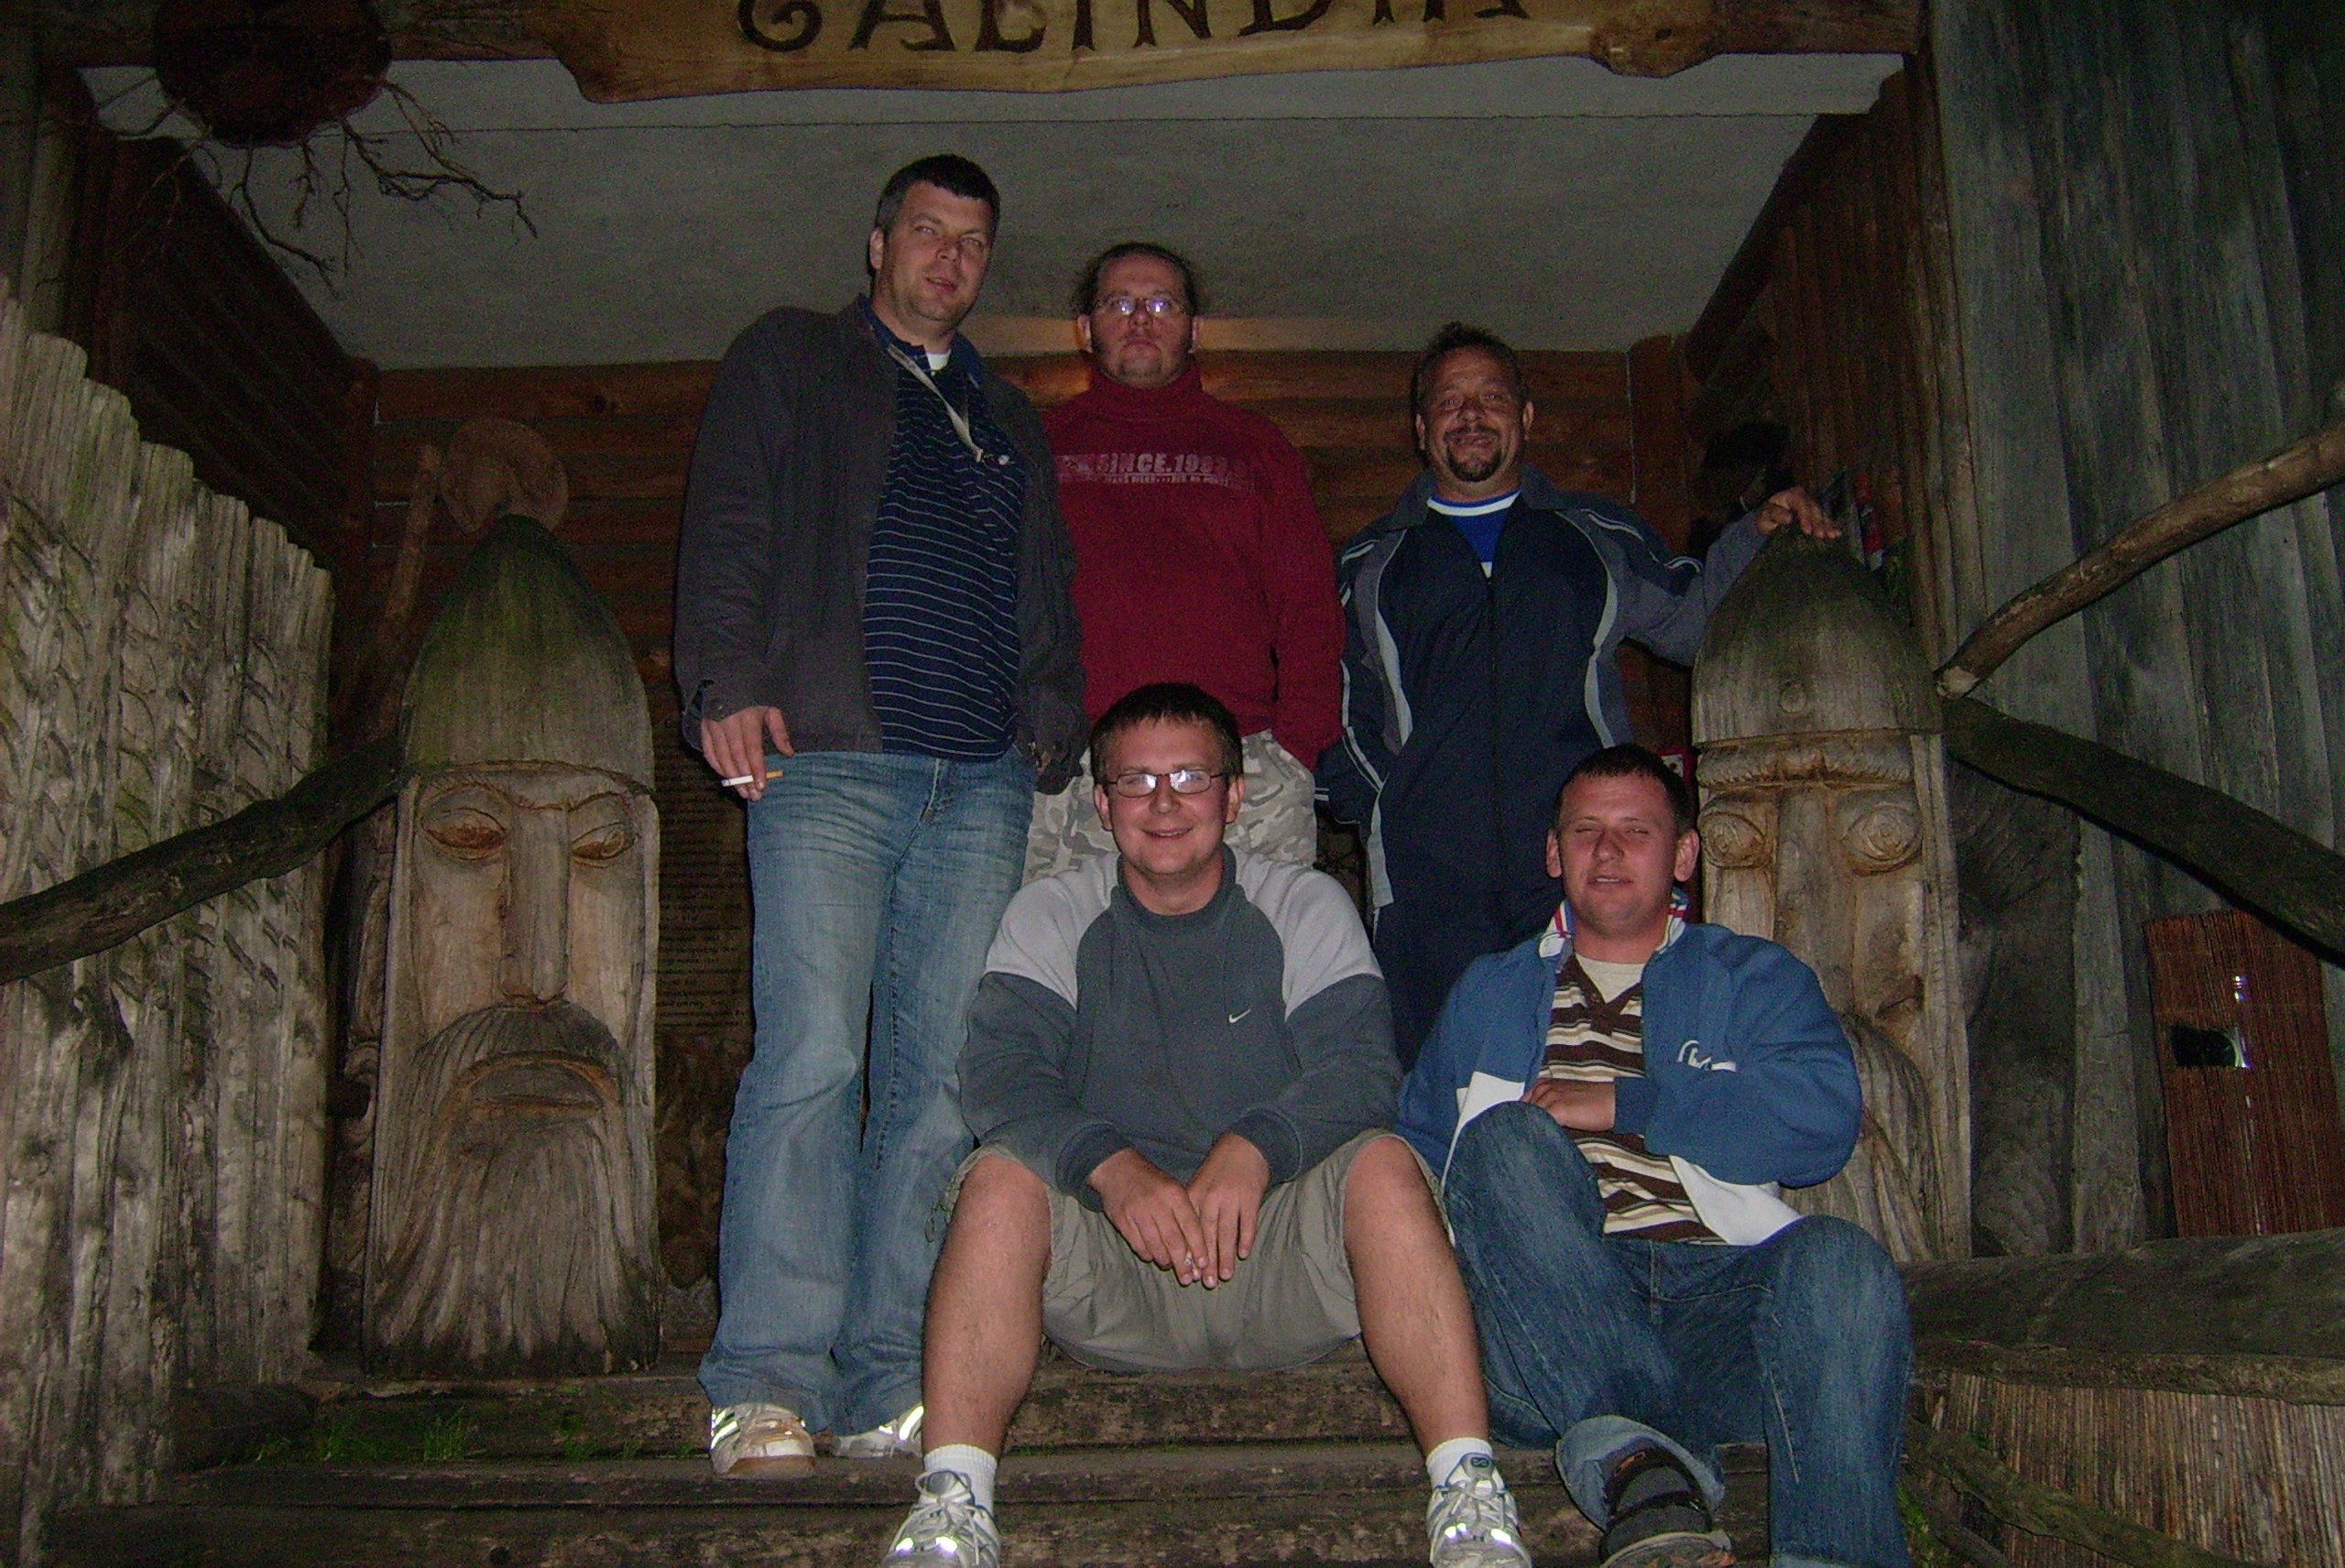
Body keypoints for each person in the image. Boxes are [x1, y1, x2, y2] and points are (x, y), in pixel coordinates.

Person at [879, 683, 1532, 1568]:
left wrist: (1256, 1148)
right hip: (1119, 1268)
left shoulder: (1302, 905)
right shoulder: (1052, 914)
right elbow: (1001, 1074)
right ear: (1101, 804)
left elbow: (1362, 1070)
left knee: (1383, 1163)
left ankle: (1468, 1490)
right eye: (1136, 781)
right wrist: (1109, 1166)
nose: (1164, 804)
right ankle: (953, 1502)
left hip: (1280, 1260)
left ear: (1234, 794)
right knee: (997, 1177)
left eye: (1190, 777)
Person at [672, 153, 1085, 1476]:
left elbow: (1043, 577)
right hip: (827, 763)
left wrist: (1051, 712)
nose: (948, 257)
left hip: (979, 783)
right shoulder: (792, 356)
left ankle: (890, 1373)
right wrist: (723, 680)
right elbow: (728, 519)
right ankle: (765, 1380)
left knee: (939, 1088)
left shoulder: (1006, 414)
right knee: (810, 1060)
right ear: (876, 244)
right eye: (926, 231)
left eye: (972, 240)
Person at [1398, 745, 1911, 1568]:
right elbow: (1418, 1163)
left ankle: (1794, 1539)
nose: (1607, 851)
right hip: (1541, 1328)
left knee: (1839, 1257)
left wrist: (1631, 1103)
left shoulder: (1749, 978)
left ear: (1683, 855)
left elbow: (1820, 1126)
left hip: (1713, 1303)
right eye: (1585, 831)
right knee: (1503, 1139)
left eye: (1636, 831)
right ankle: (1646, 1463)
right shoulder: (1489, 993)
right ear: (1554, 853)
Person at [1319, 322, 1836, 1064]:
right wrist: (1388, 805)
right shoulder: (1372, 562)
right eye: (1450, 402)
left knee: (1600, 1065)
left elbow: (1698, 625)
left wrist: (1755, 534)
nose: (1471, 415)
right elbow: (1335, 705)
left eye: (1492, 398)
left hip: (1587, 860)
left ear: (1526, 417)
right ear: (1421, 428)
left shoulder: (1595, 534)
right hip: (1429, 878)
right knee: (1446, 1078)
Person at [1026, 243, 1342, 880]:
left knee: (1258, 945)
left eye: (1163, 304)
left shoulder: (1255, 447)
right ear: (1085, 329)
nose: (1141, 319)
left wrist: (1296, 749)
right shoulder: (1038, 447)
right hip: (1071, 773)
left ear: (1195, 331)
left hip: (1242, 771)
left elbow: (1309, 606)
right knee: (1063, 947)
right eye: (1120, 304)